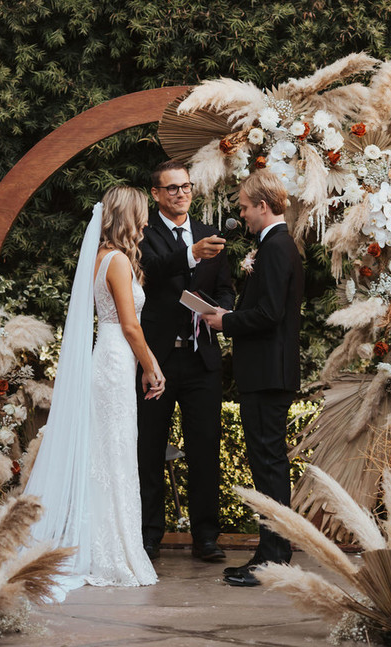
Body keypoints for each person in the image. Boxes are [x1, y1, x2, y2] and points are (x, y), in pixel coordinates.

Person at [25, 186, 165, 596]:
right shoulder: (117, 260)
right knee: (114, 451)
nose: (145, 222)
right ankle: (109, 551)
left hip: (109, 358)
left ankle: (100, 542)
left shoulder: (100, 257)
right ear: (128, 217)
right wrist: (152, 366)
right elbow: (129, 325)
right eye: (141, 215)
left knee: (106, 452)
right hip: (116, 358)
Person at [203, 169, 304, 587]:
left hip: (268, 374)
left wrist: (225, 321)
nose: (241, 215)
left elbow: (270, 314)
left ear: (263, 206)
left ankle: (275, 557)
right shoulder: (274, 245)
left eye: (244, 207)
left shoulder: (278, 248)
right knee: (266, 465)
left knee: (269, 465)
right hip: (265, 373)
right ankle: (269, 551)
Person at [138, 160, 235, 562]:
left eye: (186, 187)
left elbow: (227, 290)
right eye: (172, 188)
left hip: (201, 360)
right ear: (156, 194)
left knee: (205, 449)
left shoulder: (209, 234)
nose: (181, 193)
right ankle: (149, 537)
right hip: (157, 361)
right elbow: (150, 272)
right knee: (149, 450)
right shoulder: (144, 234)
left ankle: (206, 538)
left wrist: (219, 313)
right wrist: (190, 255)